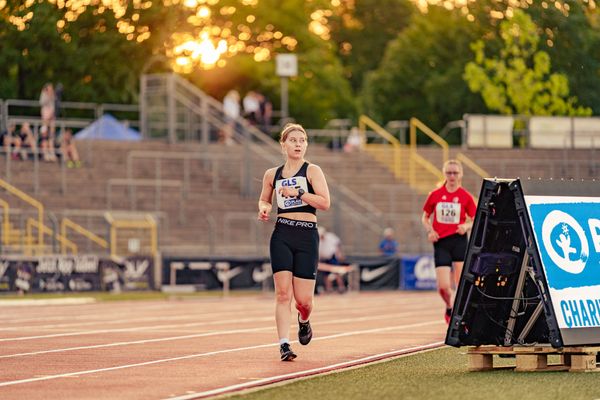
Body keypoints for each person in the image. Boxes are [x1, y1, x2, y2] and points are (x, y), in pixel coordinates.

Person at [257, 123, 331, 361]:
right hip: (282, 234)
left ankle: (304, 320)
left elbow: (324, 203)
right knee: (282, 294)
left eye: (302, 140)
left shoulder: (312, 171)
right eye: (293, 140)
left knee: (304, 302)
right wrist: (264, 209)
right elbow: (264, 200)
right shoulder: (272, 175)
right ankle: (283, 344)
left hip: (307, 235)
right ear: (283, 144)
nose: (298, 144)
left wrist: (298, 193)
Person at [422, 159, 476, 324]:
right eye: (449, 173)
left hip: (459, 240)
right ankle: (448, 306)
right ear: (444, 174)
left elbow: (474, 218)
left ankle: (459, 315)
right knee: (444, 287)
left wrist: (466, 226)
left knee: (460, 284)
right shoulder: (435, 195)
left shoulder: (465, 196)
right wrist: (430, 230)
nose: (452, 176)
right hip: (441, 242)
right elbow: (425, 216)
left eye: (455, 173)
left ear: (460, 175)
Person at [318, 226, 346, 293]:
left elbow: (337, 245)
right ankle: (329, 289)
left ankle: (341, 288)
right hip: (324, 259)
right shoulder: (318, 240)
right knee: (326, 275)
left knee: (337, 272)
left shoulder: (330, 237)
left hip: (332, 257)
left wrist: (339, 254)